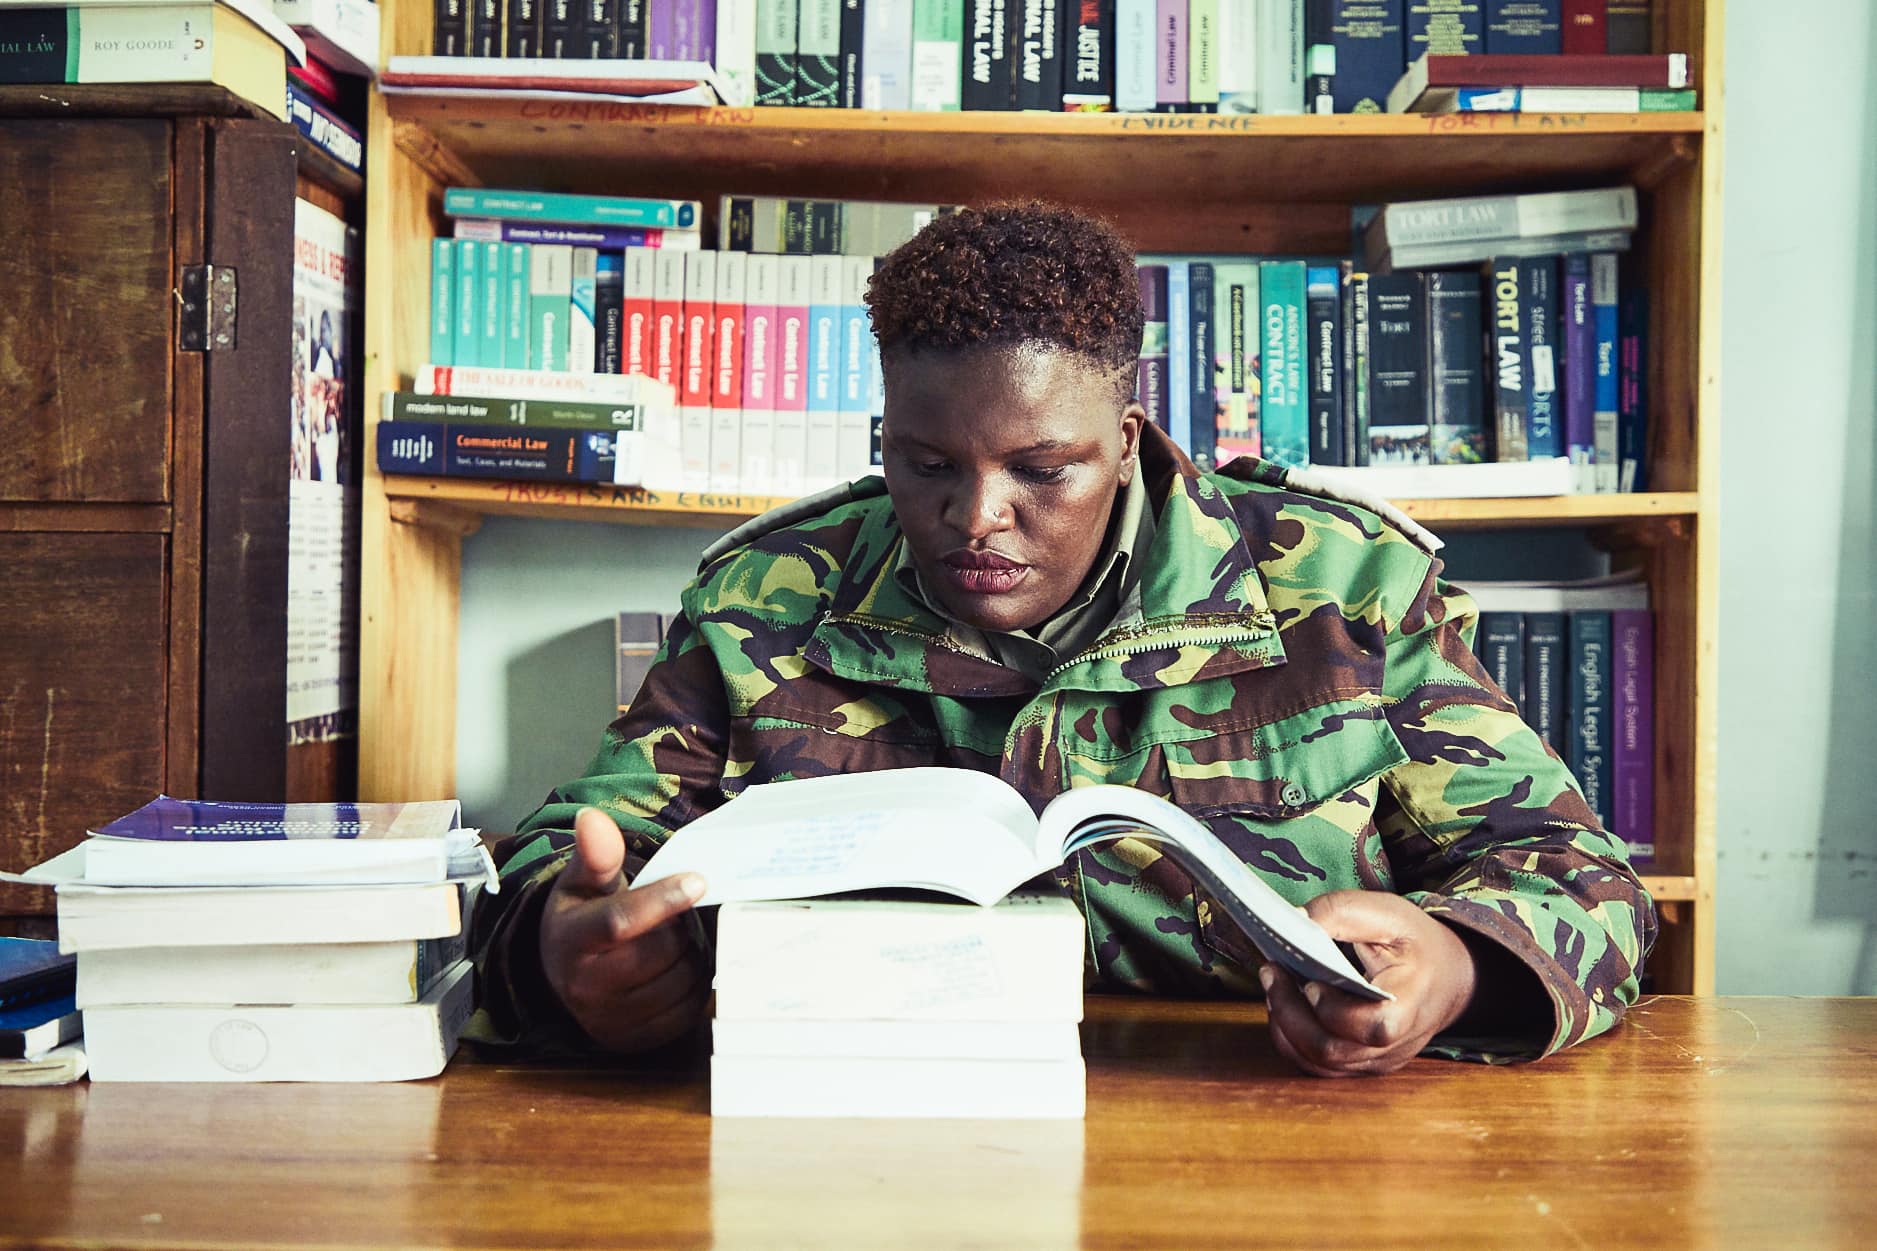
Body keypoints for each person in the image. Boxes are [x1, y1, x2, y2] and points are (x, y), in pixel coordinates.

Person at [465, 202, 1655, 1076]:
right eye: (926, 465)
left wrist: (1449, 966)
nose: (975, 518)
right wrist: (566, 957)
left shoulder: (1340, 586)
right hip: (856, 1124)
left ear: (1124, 440)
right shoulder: (767, 597)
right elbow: (566, 868)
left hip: (1255, 1142)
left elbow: (1580, 880)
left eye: (1042, 469)